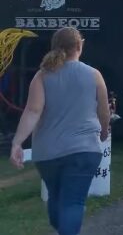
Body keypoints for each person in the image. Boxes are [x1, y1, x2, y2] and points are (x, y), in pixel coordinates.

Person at [9, 27, 110, 235]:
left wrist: (17, 142)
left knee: (56, 197)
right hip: (84, 150)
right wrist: (104, 131)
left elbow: (32, 111)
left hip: (48, 153)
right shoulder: (94, 75)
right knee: (72, 202)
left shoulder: (41, 76)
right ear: (79, 46)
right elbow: (104, 110)